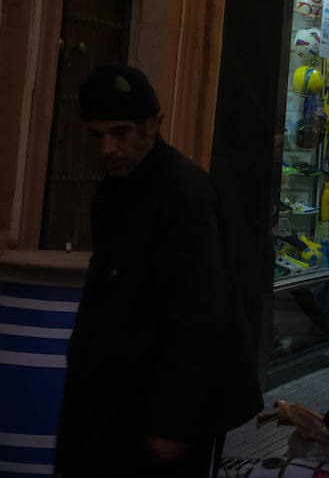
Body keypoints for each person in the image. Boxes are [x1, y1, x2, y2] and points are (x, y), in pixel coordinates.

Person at [56, 65, 261, 478]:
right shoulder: (112, 191)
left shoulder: (184, 193)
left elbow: (201, 313)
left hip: (163, 411)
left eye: (121, 133)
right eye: (97, 136)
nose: (108, 148)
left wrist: (173, 422)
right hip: (119, 398)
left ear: (154, 125)